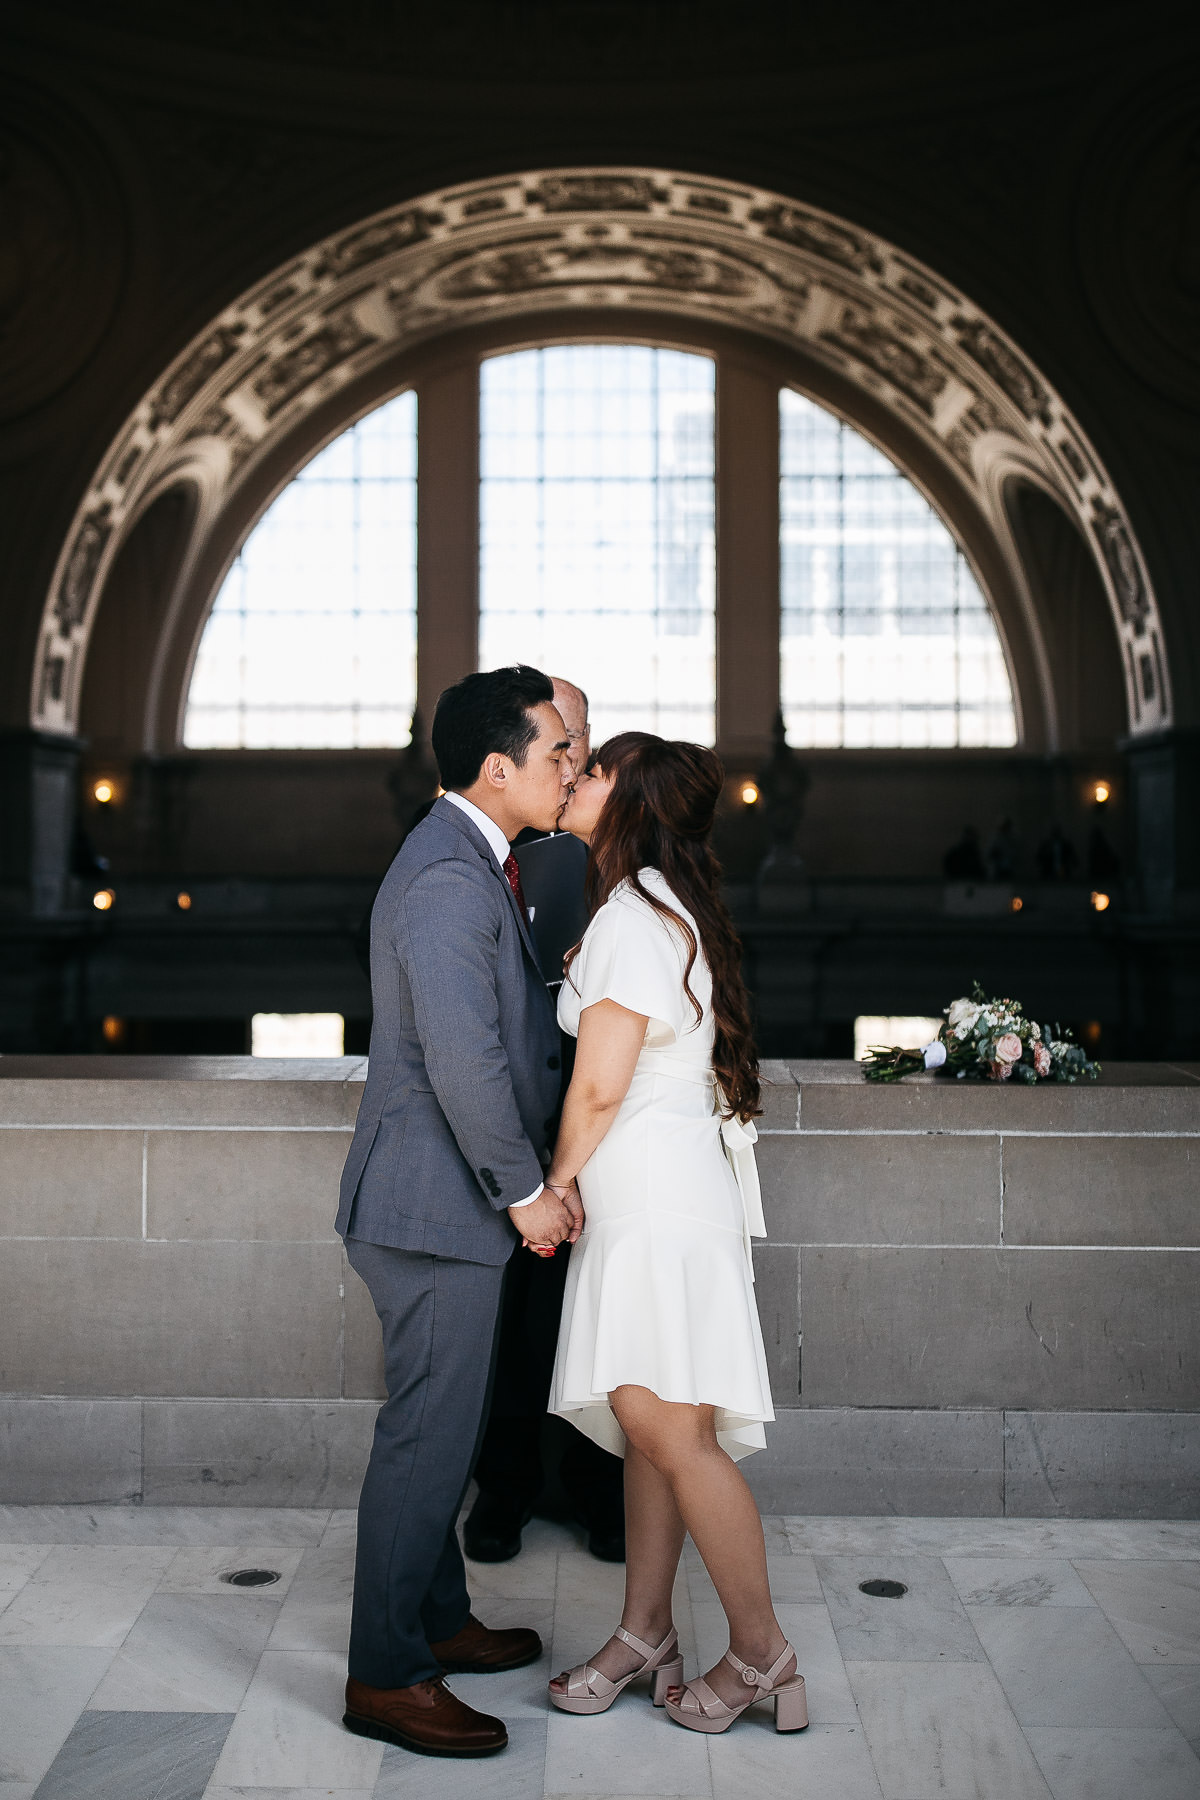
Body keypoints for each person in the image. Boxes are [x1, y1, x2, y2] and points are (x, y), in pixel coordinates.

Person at [536, 733, 808, 1737]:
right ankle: (646, 1633)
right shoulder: (658, 906)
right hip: (666, 1193)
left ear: (633, 801)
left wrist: (554, 1185)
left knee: (673, 1435)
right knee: (650, 1436)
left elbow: (600, 1083)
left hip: (648, 1200)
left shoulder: (630, 914)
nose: (577, 776)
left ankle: (764, 1656)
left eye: (595, 769)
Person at [334, 664, 581, 1759]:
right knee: (425, 1446)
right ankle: (386, 1675)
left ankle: (437, 1620)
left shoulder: (475, 860)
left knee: (435, 1435)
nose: (574, 765)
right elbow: (466, 1066)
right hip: (434, 1207)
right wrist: (528, 1196)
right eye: (559, 751)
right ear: (498, 767)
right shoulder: (446, 879)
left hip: (437, 1203)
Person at [466, 677, 627, 1566]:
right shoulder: (489, 851)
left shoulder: (614, 855)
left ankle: (602, 1494)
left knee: (597, 1326)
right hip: (513, 1142)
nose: (569, 754)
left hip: (596, 1137)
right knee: (513, 1332)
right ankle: (506, 1489)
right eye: (554, 738)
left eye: (577, 738)